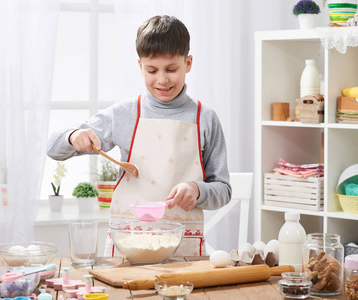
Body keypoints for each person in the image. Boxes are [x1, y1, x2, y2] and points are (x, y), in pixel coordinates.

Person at [47, 15, 231, 256]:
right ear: (140, 66)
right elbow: (53, 148)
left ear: (188, 63)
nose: (162, 80)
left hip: (183, 251)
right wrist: (73, 136)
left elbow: (224, 190)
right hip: (128, 246)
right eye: (152, 70)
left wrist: (198, 190)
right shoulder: (123, 114)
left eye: (172, 69)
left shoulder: (205, 118)